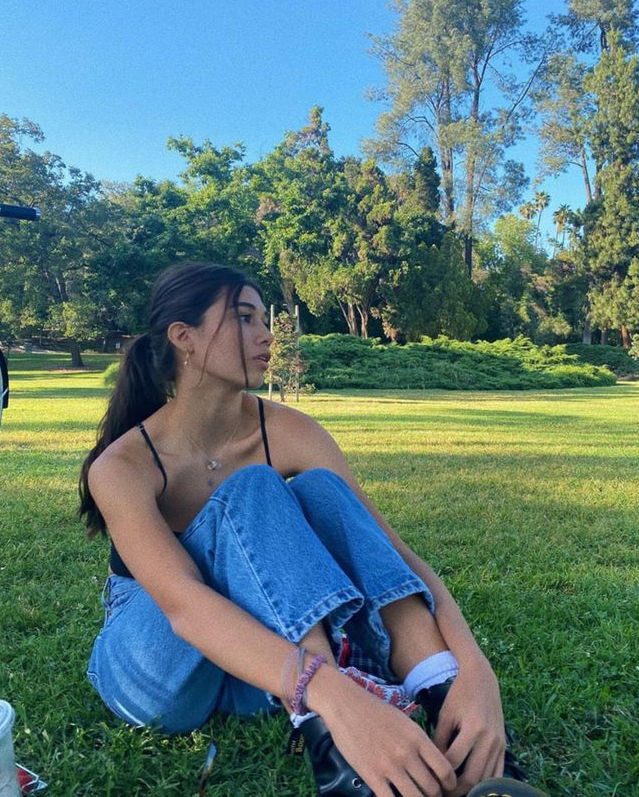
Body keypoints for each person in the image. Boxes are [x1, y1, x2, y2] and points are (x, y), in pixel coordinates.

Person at [79, 262, 549, 797]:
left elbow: (389, 553)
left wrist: (474, 672)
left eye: (264, 318)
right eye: (244, 318)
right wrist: (334, 694)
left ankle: (437, 693)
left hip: (253, 673)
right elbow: (183, 604)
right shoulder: (121, 466)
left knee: (323, 492)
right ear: (183, 338)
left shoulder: (291, 431)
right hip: (155, 673)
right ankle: (333, 724)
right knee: (254, 487)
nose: (267, 334)